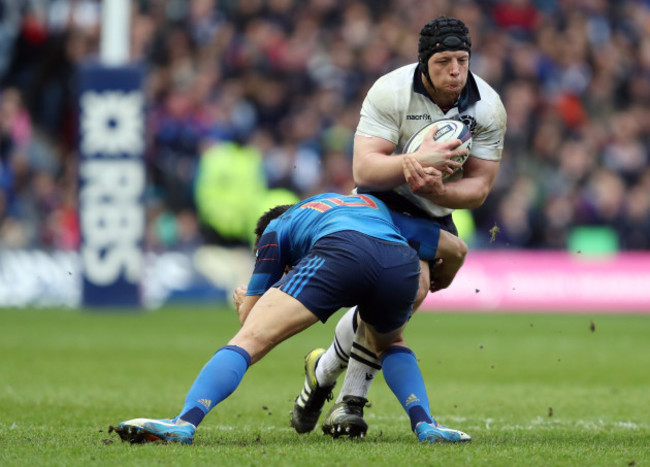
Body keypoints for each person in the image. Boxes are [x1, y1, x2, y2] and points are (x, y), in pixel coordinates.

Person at [289, 16, 507, 438]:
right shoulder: (390, 91)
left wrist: (439, 192)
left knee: (399, 297)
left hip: (432, 207)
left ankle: (325, 369)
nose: (456, 71)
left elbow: (479, 188)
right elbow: (365, 169)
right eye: (444, 61)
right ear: (424, 62)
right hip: (379, 200)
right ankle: (349, 403)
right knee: (414, 287)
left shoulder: (488, 106)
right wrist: (413, 166)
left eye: (462, 60)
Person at [111, 192, 471, 445]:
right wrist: (443, 278)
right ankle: (425, 424)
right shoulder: (365, 202)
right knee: (389, 342)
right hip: (400, 262)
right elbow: (454, 248)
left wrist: (243, 304)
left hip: (339, 252)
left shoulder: (277, 228)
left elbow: (252, 319)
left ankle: (184, 423)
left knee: (249, 341)